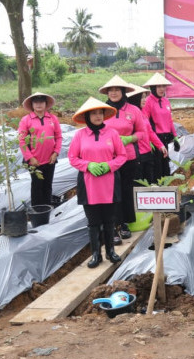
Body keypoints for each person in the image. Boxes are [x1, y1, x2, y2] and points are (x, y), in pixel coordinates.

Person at [68, 97, 127, 268]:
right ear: (87, 117)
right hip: (89, 184)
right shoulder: (79, 135)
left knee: (109, 220)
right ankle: (96, 254)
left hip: (109, 182)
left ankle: (110, 251)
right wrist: (88, 165)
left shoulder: (112, 134)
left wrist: (109, 165)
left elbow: (122, 156)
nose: (97, 116)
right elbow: (72, 157)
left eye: (100, 112)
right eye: (93, 113)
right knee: (93, 221)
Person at [100, 75, 147, 243]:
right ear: (107, 93)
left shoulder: (133, 110)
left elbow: (141, 133)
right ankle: (112, 225)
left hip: (129, 157)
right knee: (110, 192)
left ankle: (125, 223)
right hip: (107, 158)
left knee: (126, 190)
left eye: (117, 90)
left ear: (123, 92)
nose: (113, 93)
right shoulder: (102, 110)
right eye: (110, 90)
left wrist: (129, 139)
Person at [18, 92, 62, 208]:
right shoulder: (26, 120)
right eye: (35, 102)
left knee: (47, 185)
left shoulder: (52, 118)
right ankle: (37, 212)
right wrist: (30, 158)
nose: (38, 104)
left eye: (41, 102)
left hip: (50, 160)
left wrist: (56, 153)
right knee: (37, 186)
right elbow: (22, 141)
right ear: (32, 104)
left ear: (46, 104)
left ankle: (47, 210)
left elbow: (58, 137)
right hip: (34, 161)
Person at [127, 84, 167, 184]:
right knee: (139, 184)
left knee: (149, 181)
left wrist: (160, 145)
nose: (145, 100)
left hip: (147, 154)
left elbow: (150, 132)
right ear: (134, 98)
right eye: (142, 97)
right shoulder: (128, 116)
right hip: (136, 156)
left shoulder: (143, 114)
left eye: (145, 97)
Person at [142, 73, 177, 179]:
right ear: (153, 88)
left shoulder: (166, 101)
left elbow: (169, 120)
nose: (162, 89)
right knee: (157, 166)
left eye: (163, 86)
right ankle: (157, 190)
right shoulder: (148, 102)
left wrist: (175, 137)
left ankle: (166, 190)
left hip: (166, 138)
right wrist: (149, 140)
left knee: (165, 165)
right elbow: (145, 122)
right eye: (158, 86)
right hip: (155, 138)